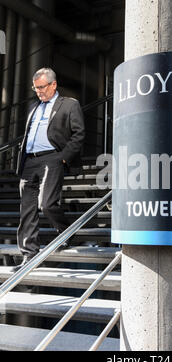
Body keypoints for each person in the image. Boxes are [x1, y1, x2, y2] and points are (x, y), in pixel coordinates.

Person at [12, 67, 85, 272]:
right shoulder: (34, 107)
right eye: (35, 89)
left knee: (46, 204)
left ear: (53, 84)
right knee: (27, 209)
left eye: (42, 87)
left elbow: (79, 134)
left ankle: (67, 232)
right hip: (29, 161)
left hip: (53, 158)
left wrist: (63, 158)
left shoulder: (69, 104)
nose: (39, 92)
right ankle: (29, 254)